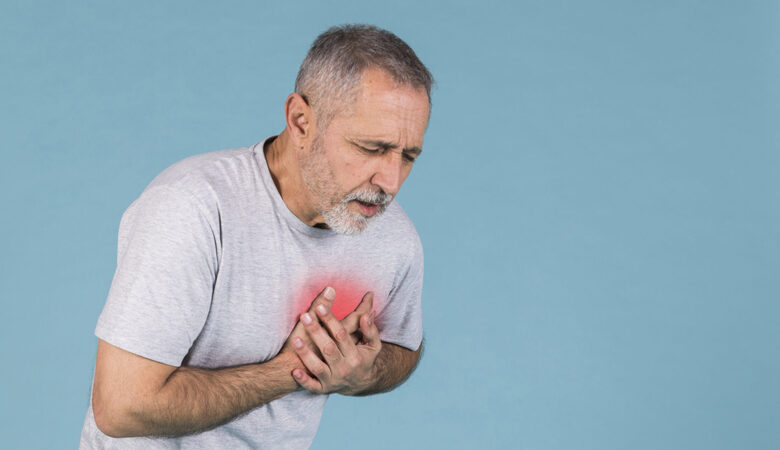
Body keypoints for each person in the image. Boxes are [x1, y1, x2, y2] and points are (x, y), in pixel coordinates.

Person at [79, 24, 433, 448]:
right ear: (301, 121)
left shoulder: (392, 235)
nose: (390, 181)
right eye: (371, 148)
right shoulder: (193, 207)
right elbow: (121, 406)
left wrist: (363, 372)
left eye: (408, 156)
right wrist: (293, 369)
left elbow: (402, 347)